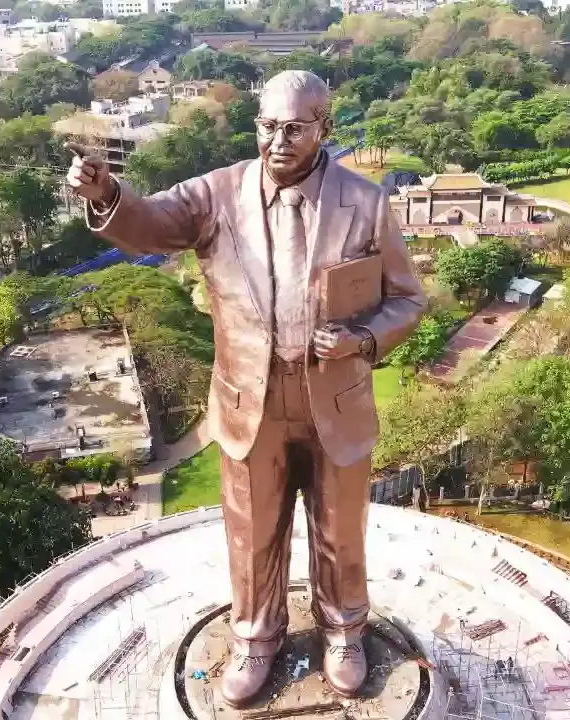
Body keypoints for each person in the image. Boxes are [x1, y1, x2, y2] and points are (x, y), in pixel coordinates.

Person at [66, 70, 425, 707]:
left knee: (340, 527)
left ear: (324, 128)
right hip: (248, 399)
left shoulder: (366, 203)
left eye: (295, 128)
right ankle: (256, 637)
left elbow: (406, 300)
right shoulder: (216, 195)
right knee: (252, 530)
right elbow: (150, 223)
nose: (278, 139)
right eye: (267, 126)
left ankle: (344, 629)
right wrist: (107, 193)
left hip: (332, 398)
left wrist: (362, 341)